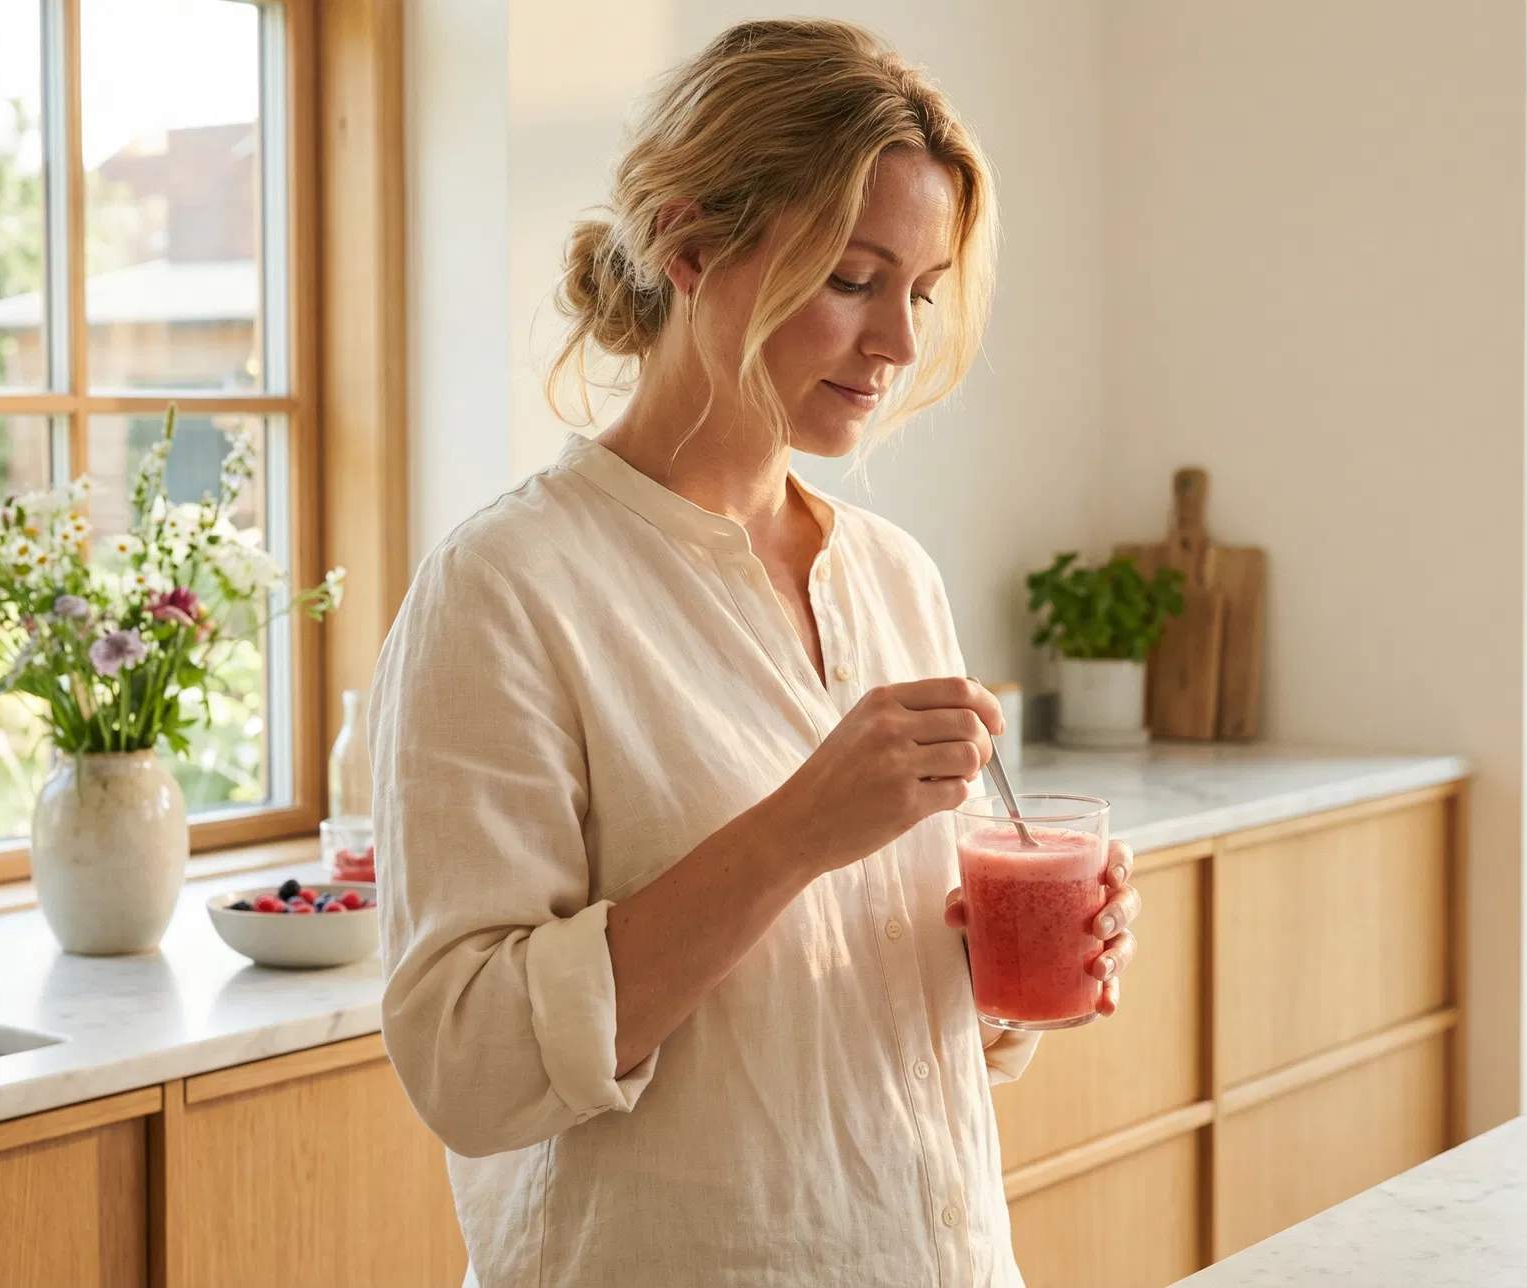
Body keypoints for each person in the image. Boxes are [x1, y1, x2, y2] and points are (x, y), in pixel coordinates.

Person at [370, 19, 1140, 1286]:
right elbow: (473, 1064)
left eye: (924, 290)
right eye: (853, 278)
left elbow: (861, 1002)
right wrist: (793, 833)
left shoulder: (895, 577)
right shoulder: (507, 588)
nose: (898, 341)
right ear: (689, 246)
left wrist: (1008, 966)